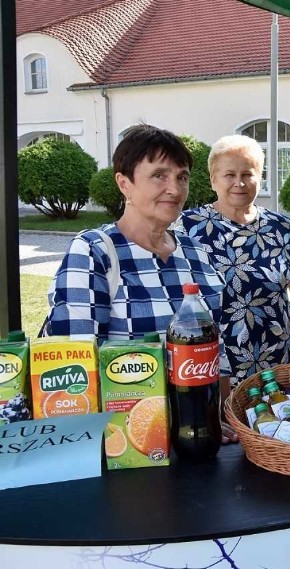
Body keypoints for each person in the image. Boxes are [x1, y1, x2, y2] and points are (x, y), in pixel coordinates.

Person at [44, 124, 236, 443]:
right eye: (159, 175)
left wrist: (216, 417)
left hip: (194, 434)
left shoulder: (195, 253)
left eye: (182, 177)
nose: (174, 189)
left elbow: (216, 352)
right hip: (126, 439)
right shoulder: (95, 250)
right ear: (124, 183)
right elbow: (75, 359)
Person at [174, 134, 290, 384]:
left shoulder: (280, 226)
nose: (239, 183)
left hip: (275, 353)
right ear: (213, 180)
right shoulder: (188, 227)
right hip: (212, 359)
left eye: (247, 174)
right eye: (229, 175)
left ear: (260, 177)